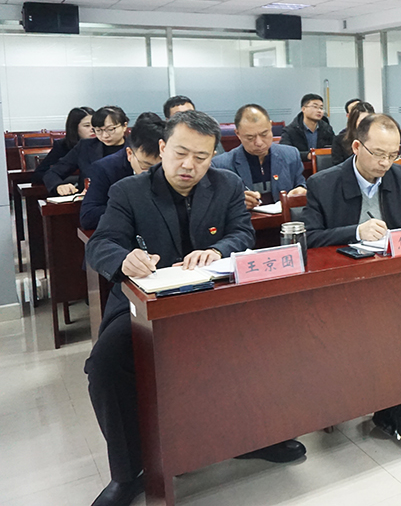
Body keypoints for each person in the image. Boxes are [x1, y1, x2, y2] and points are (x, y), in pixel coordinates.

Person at [83, 111, 305, 506]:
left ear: (213, 155)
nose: (189, 165)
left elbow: (242, 233)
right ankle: (128, 472)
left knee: (269, 336)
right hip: (145, 304)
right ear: (163, 148)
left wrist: (217, 250)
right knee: (105, 365)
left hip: (213, 300)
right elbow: (101, 244)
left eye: (201, 157)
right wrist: (124, 259)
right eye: (181, 153)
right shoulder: (128, 191)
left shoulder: (227, 184)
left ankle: (254, 437)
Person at [303, 113, 401, 448]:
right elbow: (309, 238)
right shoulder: (323, 183)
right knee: (378, 326)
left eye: (393, 155)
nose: (385, 163)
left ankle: (391, 402)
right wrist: (355, 231)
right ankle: (391, 406)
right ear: (357, 146)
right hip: (342, 289)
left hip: (393, 283)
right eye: (378, 154)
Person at [212, 104, 306, 211]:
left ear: (271, 126)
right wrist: (235, 203)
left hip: (285, 219)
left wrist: (301, 190)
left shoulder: (290, 154)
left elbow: (300, 183)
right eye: (250, 137)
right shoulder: (221, 165)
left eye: (264, 134)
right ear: (238, 134)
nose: (259, 143)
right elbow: (214, 205)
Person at [80, 113, 164, 231]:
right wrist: (132, 208)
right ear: (129, 154)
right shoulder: (105, 168)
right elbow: (88, 217)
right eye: (146, 166)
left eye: (160, 167)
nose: (153, 172)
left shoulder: (175, 165)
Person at [43, 105, 129, 196]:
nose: (105, 135)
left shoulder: (135, 147)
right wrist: (59, 186)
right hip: (91, 200)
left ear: (124, 126)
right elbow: (53, 172)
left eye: (110, 129)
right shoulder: (85, 146)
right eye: (98, 130)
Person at [31, 106, 94, 185]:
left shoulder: (101, 145)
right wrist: (60, 185)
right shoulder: (62, 146)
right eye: (87, 126)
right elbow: (39, 174)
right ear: (74, 128)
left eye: (95, 125)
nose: (93, 129)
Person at [280, 93, 336, 159]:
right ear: (303, 109)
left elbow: (334, 148)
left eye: (321, 108)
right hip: (301, 164)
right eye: (315, 107)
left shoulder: (327, 129)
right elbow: (285, 152)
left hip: (323, 164)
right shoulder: (290, 131)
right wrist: (307, 155)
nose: (319, 111)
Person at [331, 101, 375, 166]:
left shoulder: (378, 139)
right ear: (354, 122)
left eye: (369, 121)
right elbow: (338, 166)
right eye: (362, 121)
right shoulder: (340, 140)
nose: (365, 125)